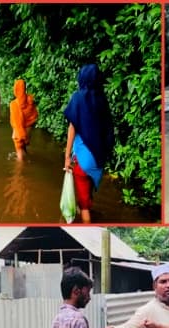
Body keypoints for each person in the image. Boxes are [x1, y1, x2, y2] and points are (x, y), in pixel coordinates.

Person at [63, 64, 115, 224]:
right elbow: (107, 130)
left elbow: (72, 128)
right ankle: (86, 207)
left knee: (84, 205)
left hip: (82, 160)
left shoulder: (78, 98)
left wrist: (66, 157)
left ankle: (87, 223)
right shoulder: (102, 99)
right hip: (98, 159)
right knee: (87, 194)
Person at [9, 79, 39, 161]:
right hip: (28, 129)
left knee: (19, 153)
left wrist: (21, 135)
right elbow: (35, 115)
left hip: (19, 131)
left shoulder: (14, 104)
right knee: (24, 147)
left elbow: (16, 123)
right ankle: (26, 155)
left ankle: (20, 171)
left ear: (15, 89)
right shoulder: (30, 101)